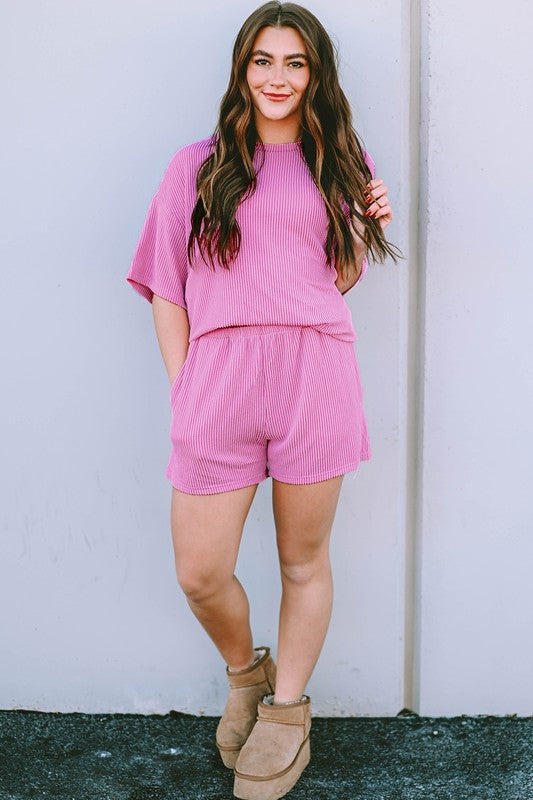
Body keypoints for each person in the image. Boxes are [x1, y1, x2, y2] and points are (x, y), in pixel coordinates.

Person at [126, 2, 400, 798]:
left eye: (295, 63)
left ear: (315, 76)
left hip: (314, 368)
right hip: (219, 376)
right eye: (262, 60)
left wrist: (363, 225)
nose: (277, 77)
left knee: (301, 560)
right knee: (200, 572)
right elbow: (165, 290)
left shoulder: (339, 160)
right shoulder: (198, 165)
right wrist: (187, 389)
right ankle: (246, 675)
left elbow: (333, 278)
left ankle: (285, 714)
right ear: (242, 69)